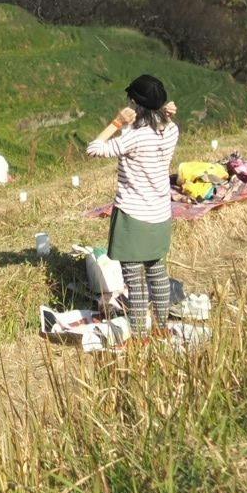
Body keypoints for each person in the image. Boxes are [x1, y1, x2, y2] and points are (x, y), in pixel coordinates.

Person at [86, 74, 182, 333]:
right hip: (160, 214)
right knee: (157, 272)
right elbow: (157, 124)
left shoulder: (133, 137)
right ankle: (162, 327)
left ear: (136, 104)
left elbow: (94, 148)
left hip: (133, 215)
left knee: (135, 281)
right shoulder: (171, 130)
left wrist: (117, 122)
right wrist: (162, 112)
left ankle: (139, 334)